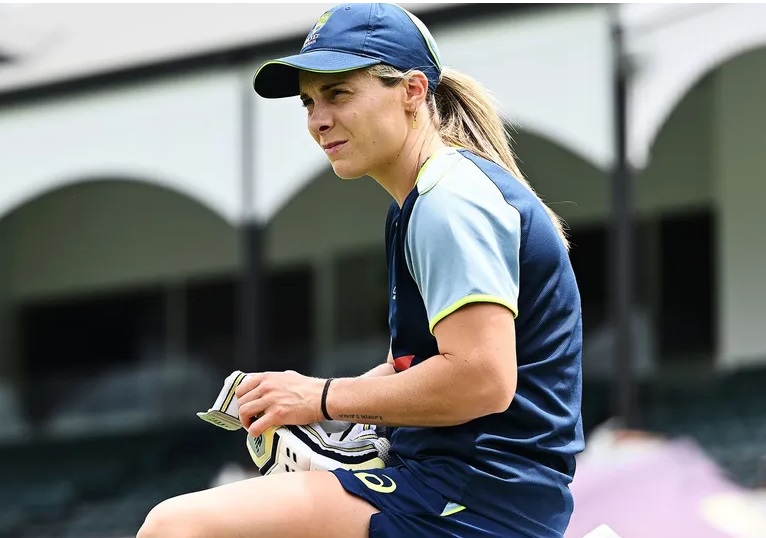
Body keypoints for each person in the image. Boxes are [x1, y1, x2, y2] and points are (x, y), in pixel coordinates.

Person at [137, 3, 584, 538]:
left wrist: (320, 396)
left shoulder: (449, 201)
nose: (318, 120)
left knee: (176, 526)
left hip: (475, 500)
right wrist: (316, 406)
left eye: (338, 93)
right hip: (464, 492)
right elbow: (416, 365)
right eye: (309, 102)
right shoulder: (424, 200)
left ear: (412, 91)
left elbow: (482, 379)